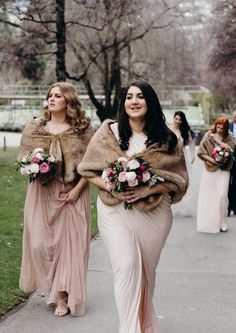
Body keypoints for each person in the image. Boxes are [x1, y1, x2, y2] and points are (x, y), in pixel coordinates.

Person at [78, 80, 188, 332]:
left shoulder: (167, 139)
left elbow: (178, 181)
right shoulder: (108, 134)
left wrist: (147, 188)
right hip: (114, 209)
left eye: (140, 96)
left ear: (150, 102)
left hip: (155, 213)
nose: (134, 101)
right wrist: (112, 186)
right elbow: (87, 170)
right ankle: (129, 328)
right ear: (123, 102)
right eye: (129, 97)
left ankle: (144, 323)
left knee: (146, 273)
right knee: (126, 266)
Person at [17, 82, 94, 317]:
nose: (52, 99)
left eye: (57, 96)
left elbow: (92, 166)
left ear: (68, 101)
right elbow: (23, 158)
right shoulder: (35, 128)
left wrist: (77, 190)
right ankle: (53, 286)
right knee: (40, 244)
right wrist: (33, 167)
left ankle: (62, 296)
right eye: (50, 95)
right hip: (42, 192)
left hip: (71, 194)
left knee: (67, 247)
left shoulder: (81, 130)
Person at [197, 117, 234, 233]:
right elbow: (201, 152)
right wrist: (213, 161)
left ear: (226, 128)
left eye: (222, 128)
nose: (219, 130)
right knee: (211, 196)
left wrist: (218, 141)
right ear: (215, 125)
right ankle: (213, 221)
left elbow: (230, 148)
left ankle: (223, 221)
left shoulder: (229, 136)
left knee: (222, 195)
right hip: (210, 168)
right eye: (218, 127)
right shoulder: (208, 135)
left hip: (225, 168)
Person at [170, 110, 196, 216]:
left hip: (183, 157)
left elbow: (191, 143)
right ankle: (172, 206)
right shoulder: (169, 130)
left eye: (180, 119)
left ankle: (185, 206)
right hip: (172, 158)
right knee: (174, 181)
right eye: (176, 119)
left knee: (185, 181)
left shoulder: (185, 131)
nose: (178, 121)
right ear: (173, 119)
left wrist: (193, 155)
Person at [228, 110, 236, 216]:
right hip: (228, 158)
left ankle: (234, 207)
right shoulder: (228, 126)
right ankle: (228, 207)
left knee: (235, 184)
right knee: (227, 184)